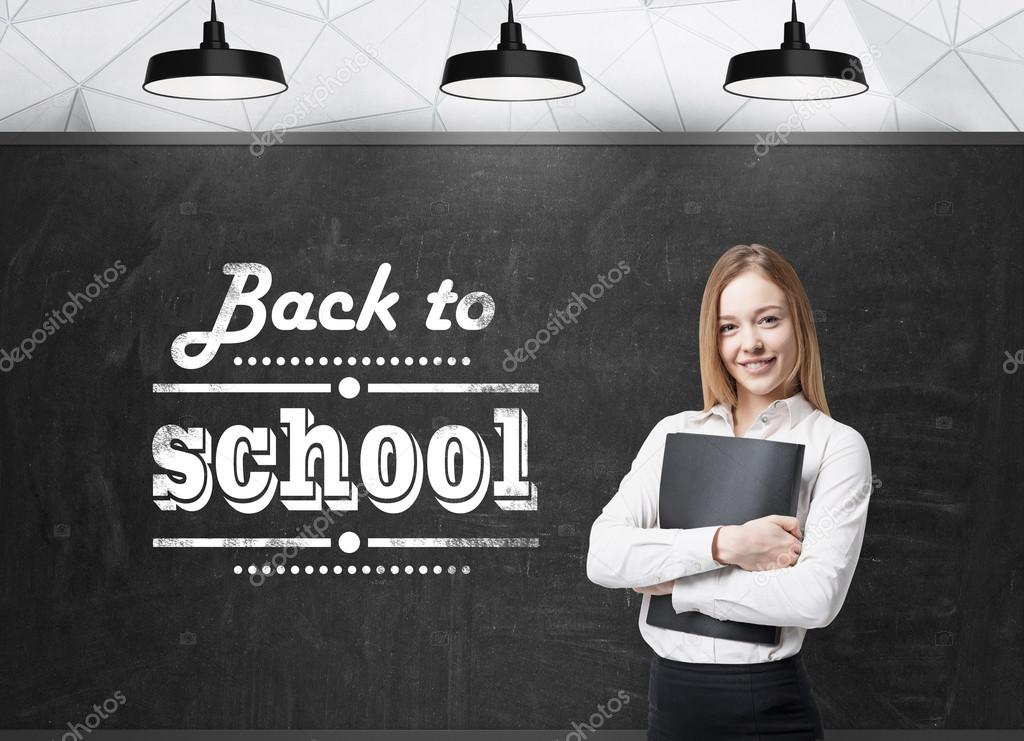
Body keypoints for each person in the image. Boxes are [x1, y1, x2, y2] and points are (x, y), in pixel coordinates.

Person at [586, 243, 873, 740]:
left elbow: (815, 598)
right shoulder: (675, 432)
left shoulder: (837, 445)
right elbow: (605, 556)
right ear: (713, 340)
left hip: (769, 710)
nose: (750, 344)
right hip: (670, 705)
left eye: (768, 320)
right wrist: (724, 545)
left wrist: (679, 585)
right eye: (729, 327)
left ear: (798, 325)